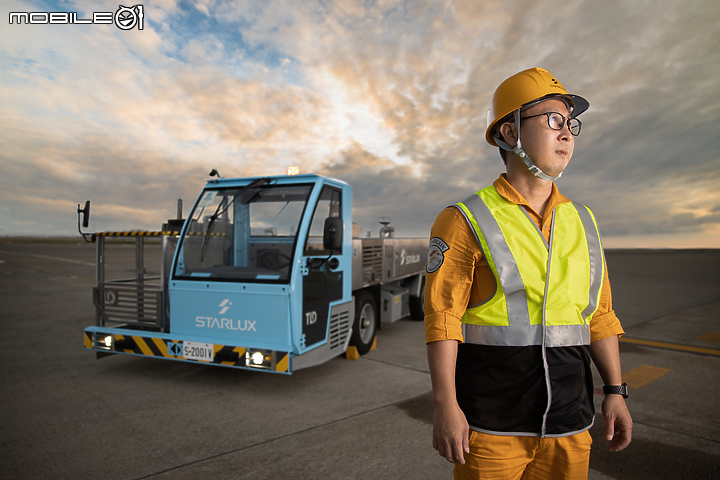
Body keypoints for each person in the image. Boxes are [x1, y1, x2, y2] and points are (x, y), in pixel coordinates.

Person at [424, 67, 632, 479]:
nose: (567, 133)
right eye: (554, 120)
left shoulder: (583, 221)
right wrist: (445, 406)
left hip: (570, 423)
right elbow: (442, 321)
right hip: (491, 425)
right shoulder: (464, 219)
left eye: (571, 123)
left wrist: (615, 392)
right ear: (509, 133)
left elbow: (600, 316)